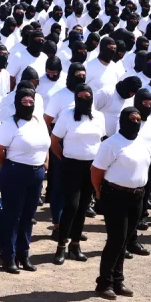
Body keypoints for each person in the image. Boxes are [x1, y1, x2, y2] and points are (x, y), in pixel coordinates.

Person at [91, 107, 151, 300]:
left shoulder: (141, 142)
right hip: (115, 195)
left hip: (137, 197)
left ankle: (118, 281)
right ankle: (104, 283)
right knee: (116, 239)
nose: (136, 122)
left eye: (138, 119)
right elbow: (96, 170)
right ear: (123, 121)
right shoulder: (111, 144)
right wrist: (99, 191)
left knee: (124, 241)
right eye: (132, 118)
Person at [0, 88, 50, 274]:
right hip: (15, 172)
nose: (28, 104)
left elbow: (46, 143)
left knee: (28, 217)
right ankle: (8, 256)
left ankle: (23, 254)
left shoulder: (39, 120)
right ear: (17, 103)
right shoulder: (10, 124)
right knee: (12, 216)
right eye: (24, 102)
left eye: (30, 101)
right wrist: (7, 166)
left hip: (36, 173)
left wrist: (45, 162)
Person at [51, 83, 105, 265]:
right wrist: (64, 158)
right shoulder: (66, 115)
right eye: (80, 97)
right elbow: (54, 141)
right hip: (71, 165)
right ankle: (61, 246)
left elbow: (100, 139)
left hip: (91, 167)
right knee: (71, 206)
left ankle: (75, 245)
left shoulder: (99, 116)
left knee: (83, 206)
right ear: (75, 98)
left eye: (87, 96)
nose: (84, 100)